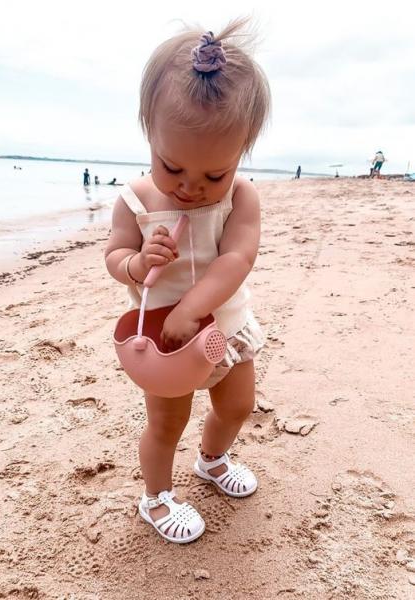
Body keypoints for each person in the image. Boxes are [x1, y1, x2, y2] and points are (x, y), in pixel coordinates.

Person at [105, 19, 270, 544]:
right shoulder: (135, 200)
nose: (191, 188)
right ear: (149, 133)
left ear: (241, 153)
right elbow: (114, 257)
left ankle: (213, 460)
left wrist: (192, 307)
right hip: (166, 343)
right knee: (165, 423)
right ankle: (155, 498)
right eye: (172, 167)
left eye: (214, 175)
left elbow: (237, 258)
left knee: (237, 405)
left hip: (226, 330)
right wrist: (137, 263)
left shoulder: (240, 197)